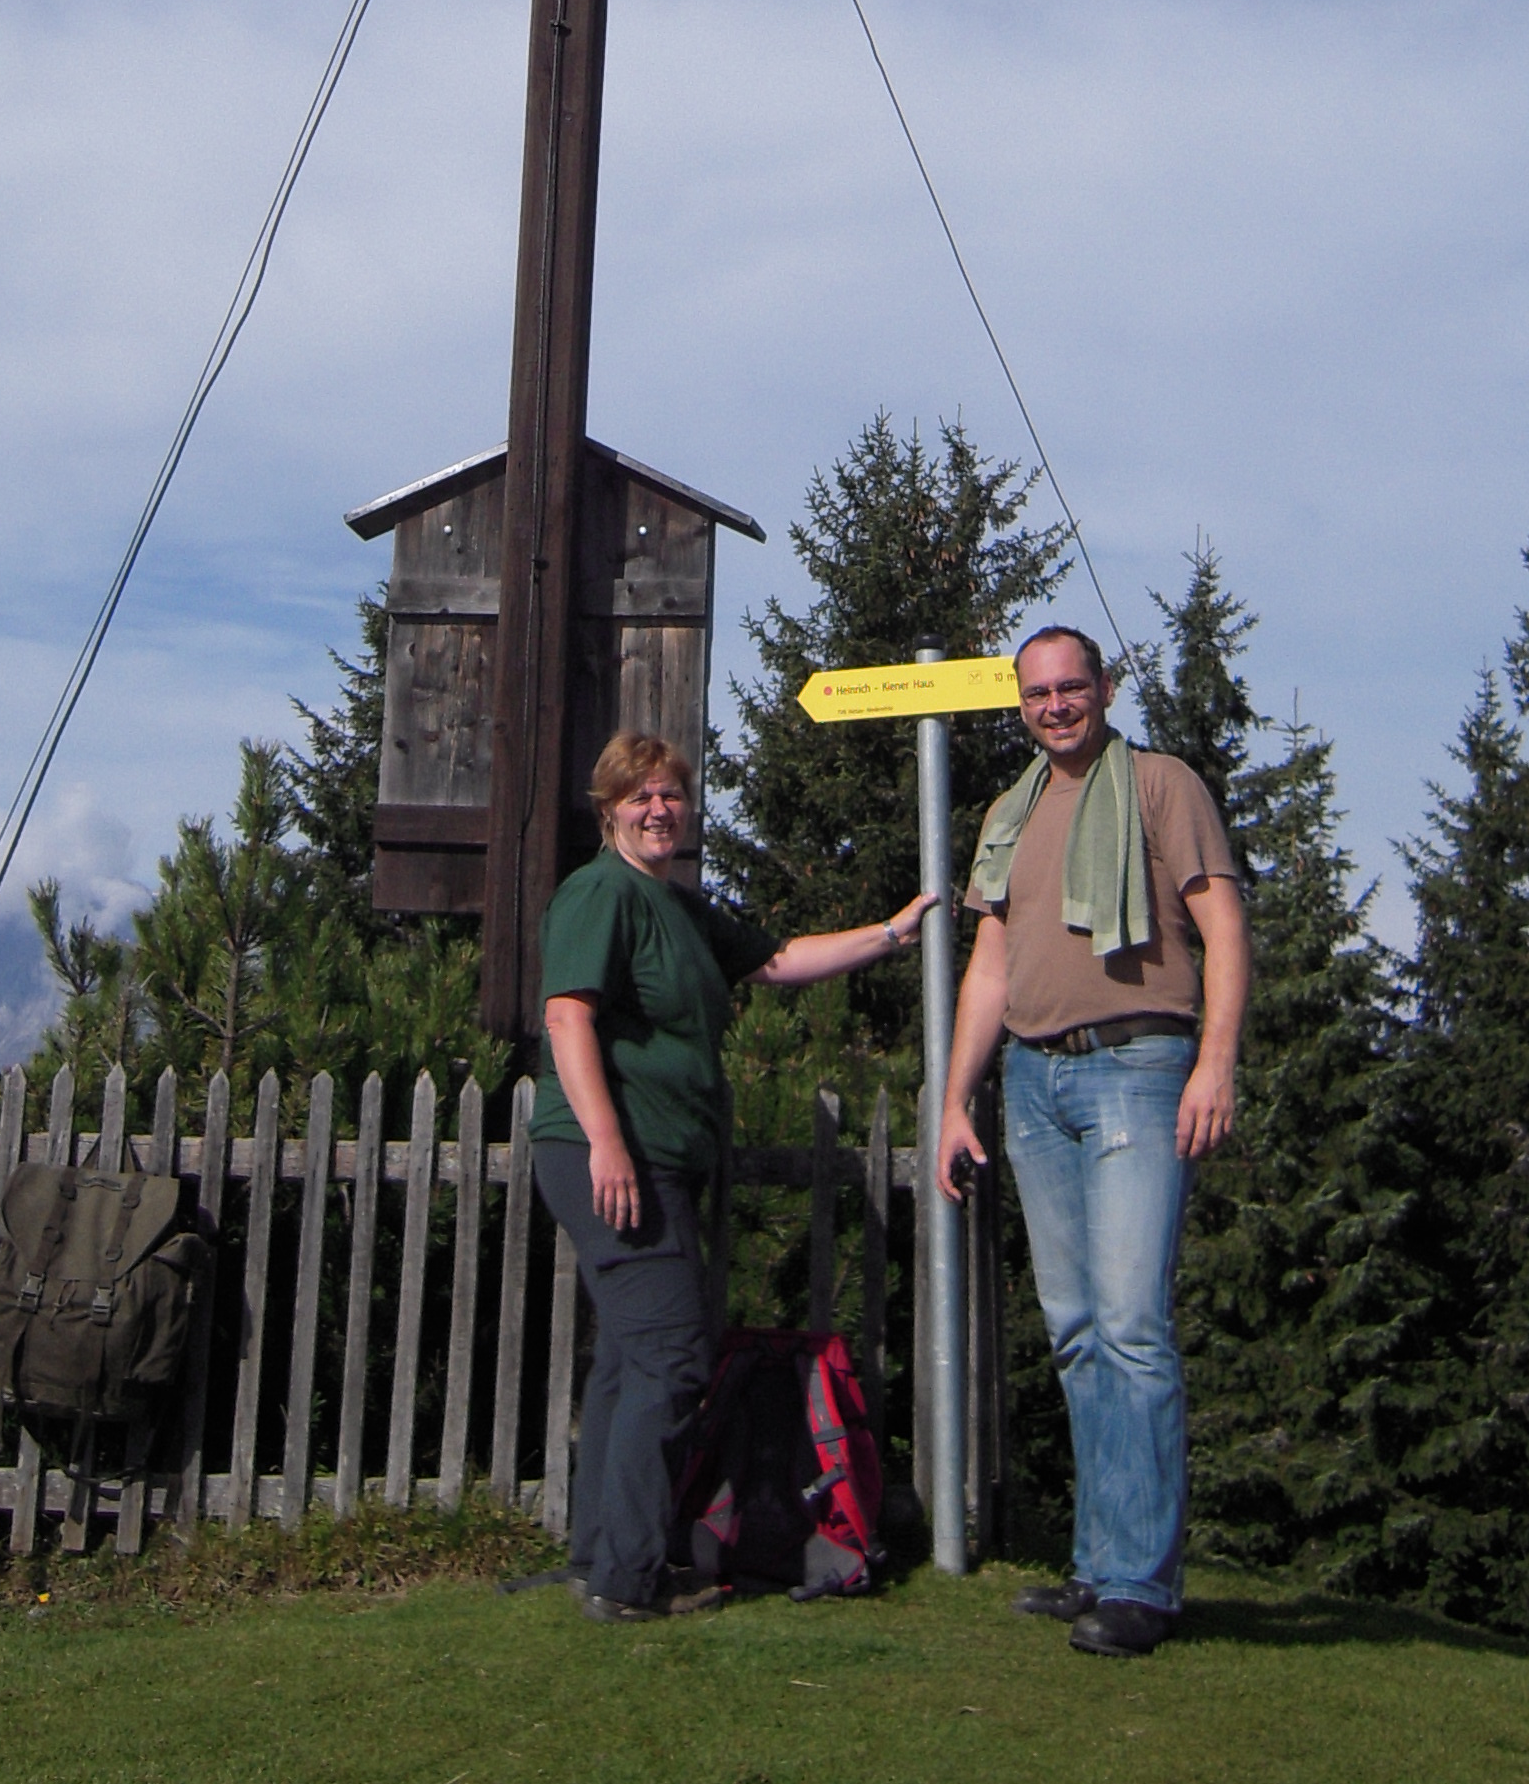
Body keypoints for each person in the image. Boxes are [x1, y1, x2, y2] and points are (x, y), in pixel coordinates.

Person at [532, 728, 935, 1625]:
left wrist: (890, 935)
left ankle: (599, 1556)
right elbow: (568, 1020)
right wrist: (607, 1141)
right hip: (612, 1153)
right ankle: (631, 1580)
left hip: (660, 1156)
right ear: (608, 811)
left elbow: (780, 959)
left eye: (671, 794)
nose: (659, 809)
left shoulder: (679, 904)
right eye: (640, 797)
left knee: (631, 1361)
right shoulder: (600, 894)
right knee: (674, 1358)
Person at [937, 624, 1250, 1659]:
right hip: (1034, 1081)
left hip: (1138, 1069)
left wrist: (1215, 1063)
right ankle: (1099, 1564)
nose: (1057, 706)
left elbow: (1225, 926)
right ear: (1018, 702)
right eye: (1039, 692)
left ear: (1106, 690)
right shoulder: (1011, 811)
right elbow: (990, 966)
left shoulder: (1163, 787)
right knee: (1075, 1332)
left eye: (1074, 687)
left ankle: (1143, 1589)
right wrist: (954, 1100)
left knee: (1131, 1326)